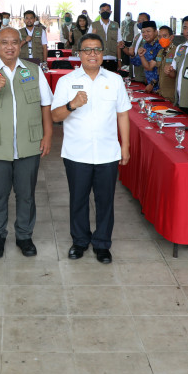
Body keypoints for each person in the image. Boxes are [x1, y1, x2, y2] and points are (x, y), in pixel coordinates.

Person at [0, 27, 53, 259]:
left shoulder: (34, 71)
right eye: (4, 42)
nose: (10, 46)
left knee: (26, 194)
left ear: (20, 45)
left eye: (14, 42)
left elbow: (46, 105)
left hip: (29, 143)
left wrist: (48, 135)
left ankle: (24, 236)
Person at [51, 33, 130, 264]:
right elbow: (56, 115)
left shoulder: (115, 80)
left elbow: (123, 114)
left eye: (96, 49)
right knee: (78, 199)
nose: (92, 54)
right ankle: (80, 241)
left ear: (103, 53)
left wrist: (125, 147)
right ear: (79, 54)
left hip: (107, 152)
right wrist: (72, 105)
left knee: (105, 201)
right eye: (87, 50)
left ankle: (103, 243)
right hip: (77, 153)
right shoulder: (66, 81)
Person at [131, 21, 162, 93]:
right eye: (143, 32)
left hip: (159, 87)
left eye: (148, 31)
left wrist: (152, 83)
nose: (145, 34)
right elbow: (137, 62)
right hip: (148, 86)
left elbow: (160, 69)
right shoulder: (145, 45)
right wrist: (132, 55)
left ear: (156, 32)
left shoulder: (160, 46)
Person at [91, 2, 121, 72]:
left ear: (110, 12)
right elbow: (88, 43)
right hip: (98, 58)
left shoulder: (115, 25)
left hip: (112, 58)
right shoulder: (94, 25)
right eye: (103, 10)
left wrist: (119, 60)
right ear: (99, 12)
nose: (105, 12)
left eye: (107, 10)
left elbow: (119, 44)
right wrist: (93, 35)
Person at [155, 25, 178, 100]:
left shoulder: (177, 51)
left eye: (164, 36)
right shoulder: (160, 52)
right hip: (161, 93)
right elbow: (158, 71)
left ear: (171, 37)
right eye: (159, 37)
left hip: (171, 95)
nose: (161, 39)